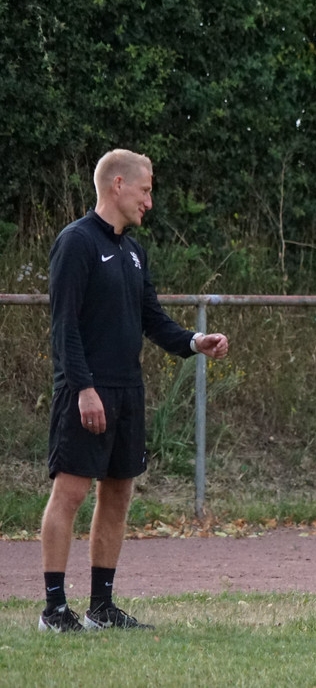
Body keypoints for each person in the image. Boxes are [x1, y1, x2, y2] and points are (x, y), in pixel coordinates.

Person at [39, 149, 230, 632]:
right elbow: (64, 327)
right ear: (118, 184)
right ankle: (54, 610)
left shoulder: (133, 252)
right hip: (86, 390)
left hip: (128, 390)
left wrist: (194, 341)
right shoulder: (76, 242)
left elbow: (151, 318)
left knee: (119, 493)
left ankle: (101, 608)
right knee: (70, 493)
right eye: (145, 190)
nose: (149, 201)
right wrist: (83, 389)